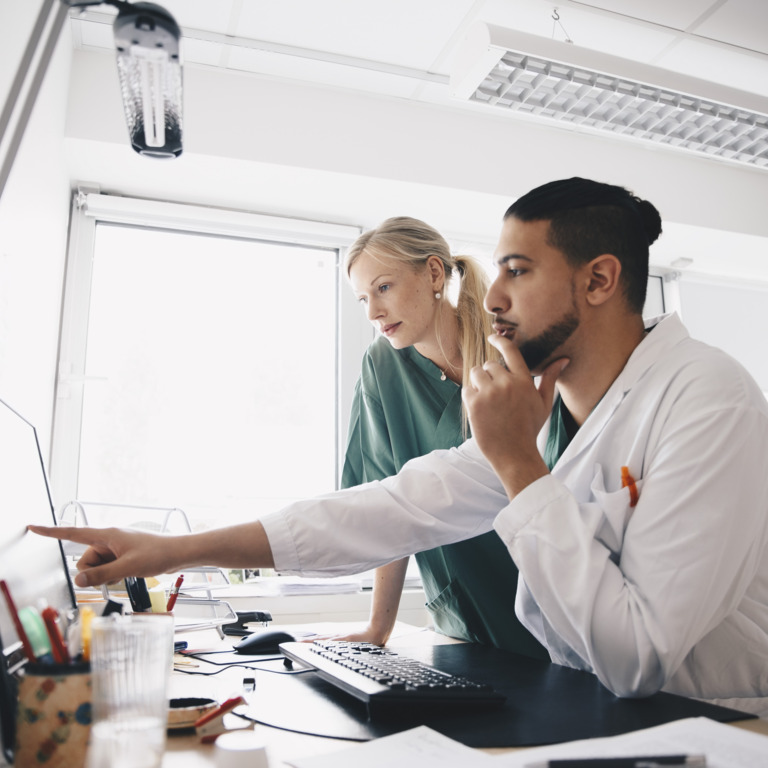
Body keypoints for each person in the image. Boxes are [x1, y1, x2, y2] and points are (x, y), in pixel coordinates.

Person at [32, 177, 768, 715]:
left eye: (518, 270)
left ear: (600, 279)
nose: (496, 295)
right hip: (609, 712)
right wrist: (170, 551)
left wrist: (516, 465)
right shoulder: (549, 412)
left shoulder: (707, 397)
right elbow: (393, 508)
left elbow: (637, 655)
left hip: (715, 724)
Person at [339, 216, 546, 657]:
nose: (373, 312)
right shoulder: (382, 366)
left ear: (434, 273)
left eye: (384, 288)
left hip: (539, 583)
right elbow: (384, 502)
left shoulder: (510, 350)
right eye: (363, 298)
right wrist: (379, 626)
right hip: (461, 609)